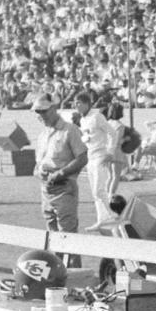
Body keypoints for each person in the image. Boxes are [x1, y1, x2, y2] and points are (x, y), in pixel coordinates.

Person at [31, 92, 87, 234]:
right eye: (38, 111)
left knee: (67, 237)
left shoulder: (70, 130)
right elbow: (38, 164)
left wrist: (60, 173)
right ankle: (57, 257)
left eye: (44, 111)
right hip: (46, 190)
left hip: (64, 188)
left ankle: (69, 257)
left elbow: (82, 158)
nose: (41, 115)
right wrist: (38, 172)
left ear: (54, 108)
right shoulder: (42, 135)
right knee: (51, 236)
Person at [73, 90, 116, 228]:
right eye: (75, 103)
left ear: (86, 103)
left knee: (99, 189)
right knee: (95, 191)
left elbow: (112, 133)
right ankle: (102, 220)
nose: (76, 106)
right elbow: (87, 138)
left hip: (100, 156)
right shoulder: (82, 119)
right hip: (90, 157)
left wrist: (110, 151)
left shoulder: (97, 116)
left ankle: (111, 216)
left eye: (79, 103)